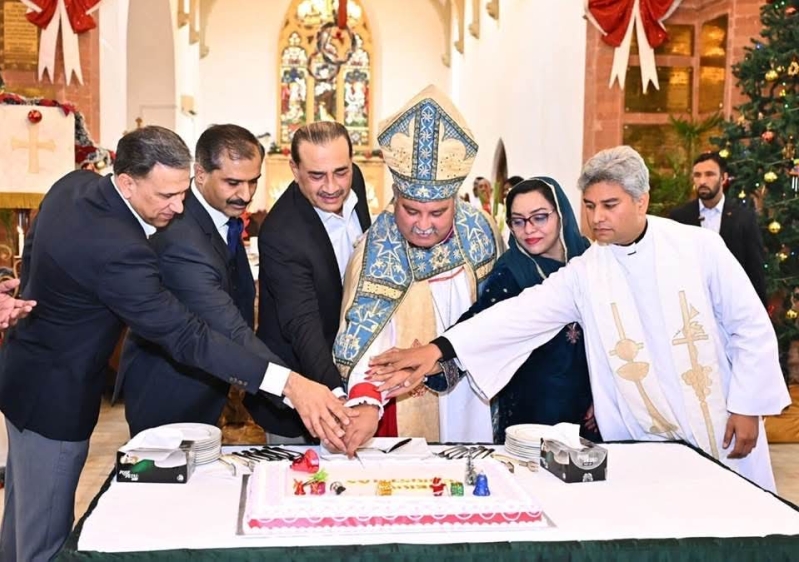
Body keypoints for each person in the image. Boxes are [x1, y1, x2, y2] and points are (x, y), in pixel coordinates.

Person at [0, 126, 355, 562]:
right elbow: (189, 336)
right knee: (44, 543)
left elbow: (36, 242)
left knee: (19, 523)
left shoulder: (73, 186)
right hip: (55, 399)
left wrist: (20, 289)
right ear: (128, 182)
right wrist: (291, 384)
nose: (179, 205)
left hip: (19, 375)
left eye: (183, 191)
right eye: (166, 195)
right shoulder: (122, 251)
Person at [369, 145, 790, 492]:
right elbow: (518, 315)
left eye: (610, 205)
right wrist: (440, 348)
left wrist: (748, 406)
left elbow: (749, 326)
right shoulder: (589, 270)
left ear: (641, 200)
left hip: (717, 421)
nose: (596, 217)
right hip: (643, 433)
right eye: (589, 205)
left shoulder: (699, 247)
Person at [116, 124, 325, 438]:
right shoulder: (181, 237)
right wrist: (294, 387)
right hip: (169, 392)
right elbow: (229, 327)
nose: (245, 194)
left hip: (207, 385)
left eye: (253, 181)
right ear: (200, 174)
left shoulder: (217, 217)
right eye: (233, 182)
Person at [332, 85, 504, 455]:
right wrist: (365, 399)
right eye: (411, 210)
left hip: (473, 392)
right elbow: (362, 334)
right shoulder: (377, 246)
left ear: (455, 201)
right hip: (403, 399)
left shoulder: (481, 233)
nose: (423, 224)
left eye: (438, 212)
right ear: (396, 198)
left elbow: (499, 316)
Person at [437, 177, 595, 443]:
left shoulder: (590, 259)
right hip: (533, 410)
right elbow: (480, 324)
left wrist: (604, 398)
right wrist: (436, 357)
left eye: (540, 217)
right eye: (518, 221)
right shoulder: (511, 272)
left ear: (561, 215)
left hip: (591, 409)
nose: (529, 229)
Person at [256, 121, 372, 439]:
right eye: (316, 175)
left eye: (341, 171)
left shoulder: (356, 181)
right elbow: (301, 325)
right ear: (294, 169)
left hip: (352, 364)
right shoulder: (281, 234)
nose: (332, 186)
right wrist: (338, 398)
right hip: (300, 384)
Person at [670, 152, 767, 306]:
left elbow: (755, 270)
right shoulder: (679, 218)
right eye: (697, 175)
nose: (702, 181)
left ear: (723, 178)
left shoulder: (744, 218)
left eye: (709, 175)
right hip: (693, 307)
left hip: (735, 305)